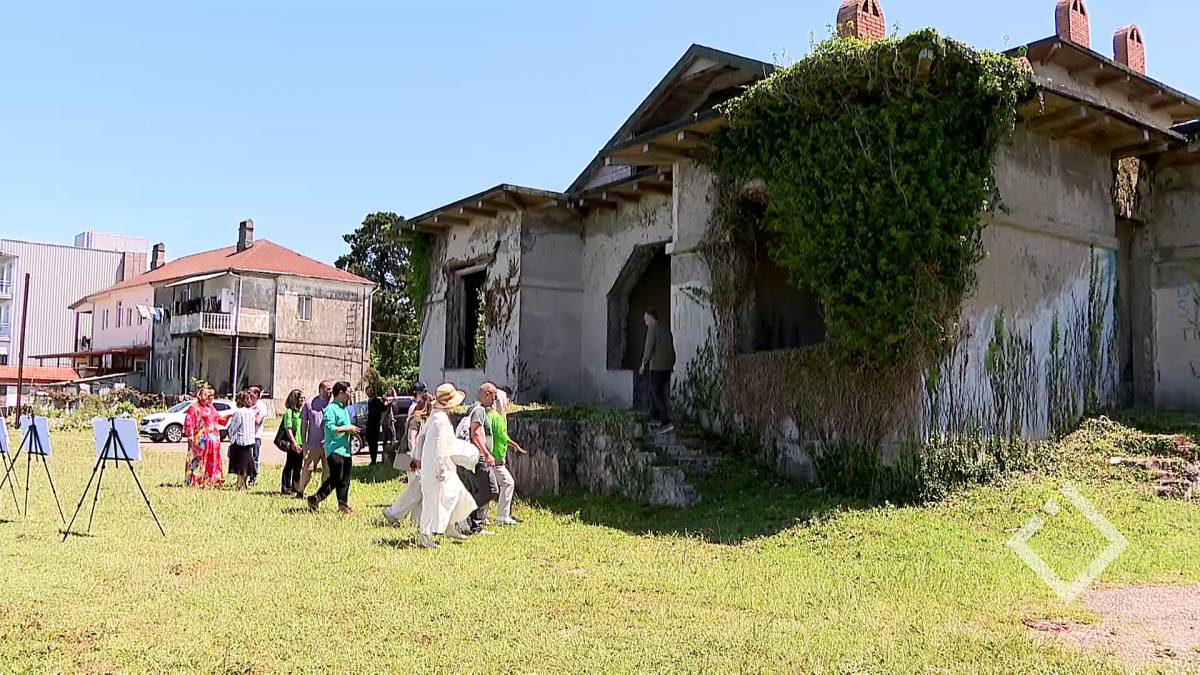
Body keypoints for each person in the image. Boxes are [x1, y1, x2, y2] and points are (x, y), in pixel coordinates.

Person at [417, 383, 477, 548]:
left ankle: (450, 527)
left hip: (439, 465)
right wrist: (441, 469)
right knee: (432, 501)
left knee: (457, 494)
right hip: (437, 468)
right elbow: (439, 446)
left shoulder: (437, 416)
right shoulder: (440, 420)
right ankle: (424, 536)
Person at [381, 391, 432, 525]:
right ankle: (395, 512)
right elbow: (411, 439)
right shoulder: (416, 419)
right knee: (414, 487)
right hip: (411, 457)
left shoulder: (423, 419)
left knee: (418, 489)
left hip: (416, 458)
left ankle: (416, 520)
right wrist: (415, 457)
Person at [307, 381, 359, 513]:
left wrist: (351, 432)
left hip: (346, 450)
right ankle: (314, 499)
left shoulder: (344, 409)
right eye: (348, 392)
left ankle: (343, 505)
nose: (350, 395)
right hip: (334, 449)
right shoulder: (330, 409)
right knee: (335, 479)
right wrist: (348, 429)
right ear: (341, 393)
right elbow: (330, 428)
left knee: (345, 480)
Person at [464, 383, 501, 536]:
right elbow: (476, 433)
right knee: (491, 489)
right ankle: (464, 513)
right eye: (494, 395)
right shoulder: (479, 410)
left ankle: (476, 524)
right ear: (487, 394)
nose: (495, 399)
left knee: (479, 490)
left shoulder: (474, 408)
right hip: (479, 457)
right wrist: (486, 454)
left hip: (474, 456)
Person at [489, 388, 525, 525]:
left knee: (488, 487)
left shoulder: (486, 415)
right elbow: (502, 436)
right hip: (495, 457)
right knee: (508, 483)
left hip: (488, 456)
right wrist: (514, 445)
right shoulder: (497, 418)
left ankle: (481, 516)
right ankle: (502, 516)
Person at [640, 308, 677, 435]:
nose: (645, 323)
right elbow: (671, 348)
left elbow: (649, 347)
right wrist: (671, 363)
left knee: (655, 391)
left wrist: (644, 363)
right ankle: (654, 417)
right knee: (657, 391)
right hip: (667, 367)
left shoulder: (653, 329)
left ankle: (666, 421)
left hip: (658, 367)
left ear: (651, 318)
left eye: (646, 320)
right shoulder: (665, 329)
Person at [295, 380, 332, 498]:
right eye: (328, 389)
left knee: (327, 470)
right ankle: (300, 491)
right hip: (313, 444)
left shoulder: (333, 405)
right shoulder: (309, 404)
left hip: (328, 444)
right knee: (307, 468)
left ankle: (323, 494)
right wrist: (304, 443)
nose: (331, 391)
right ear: (321, 389)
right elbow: (304, 425)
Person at [183, 387, 224, 487]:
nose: (211, 398)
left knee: (212, 458)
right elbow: (189, 421)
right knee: (198, 459)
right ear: (202, 395)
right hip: (200, 438)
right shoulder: (194, 407)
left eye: (212, 396)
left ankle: (211, 480)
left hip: (213, 438)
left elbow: (216, 419)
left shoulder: (211, 407)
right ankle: (195, 480)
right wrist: (190, 435)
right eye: (208, 395)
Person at [225, 390, 257, 491]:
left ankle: (239, 484)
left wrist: (229, 433)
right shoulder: (251, 412)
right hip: (249, 441)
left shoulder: (239, 412)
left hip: (240, 441)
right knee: (246, 465)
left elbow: (234, 427)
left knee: (240, 466)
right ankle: (244, 483)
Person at [279, 389, 305, 495]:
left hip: (302, 442)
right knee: (289, 465)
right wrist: (293, 441)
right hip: (293, 442)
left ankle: (296, 487)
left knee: (298, 466)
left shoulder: (302, 411)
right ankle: (286, 488)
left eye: (303, 398)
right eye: (300, 398)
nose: (302, 400)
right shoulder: (289, 412)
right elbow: (288, 427)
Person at [248, 386, 268, 486]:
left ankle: (253, 478)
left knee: (254, 458)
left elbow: (258, 421)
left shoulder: (261, 406)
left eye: (250, 393)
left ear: (256, 395)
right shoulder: (246, 405)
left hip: (256, 436)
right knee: (245, 458)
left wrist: (246, 416)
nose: (248, 394)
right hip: (246, 435)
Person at [365, 385, 385, 465]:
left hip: (375, 425)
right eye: (367, 391)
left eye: (370, 391)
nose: (369, 393)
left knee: (374, 442)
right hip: (369, 424)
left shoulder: (377, 401)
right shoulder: (369, 401)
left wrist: (381, 420)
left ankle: (374, 460)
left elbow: (384, 409)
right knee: (370, 442)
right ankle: (372, 459)